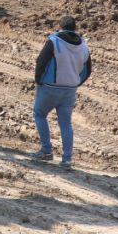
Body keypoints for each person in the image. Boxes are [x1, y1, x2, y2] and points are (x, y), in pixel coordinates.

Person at [31, 16, 91, 169]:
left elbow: (41, 61)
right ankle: (67, 159)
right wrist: (75, 82)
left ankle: (46, 150)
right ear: (74, 28)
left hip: (50, 87)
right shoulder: (84, 46)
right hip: (70, 90)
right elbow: (88, 70)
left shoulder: (54, 41)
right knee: (66, 123)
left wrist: (38, 80)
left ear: (60, 26)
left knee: (39, 114)